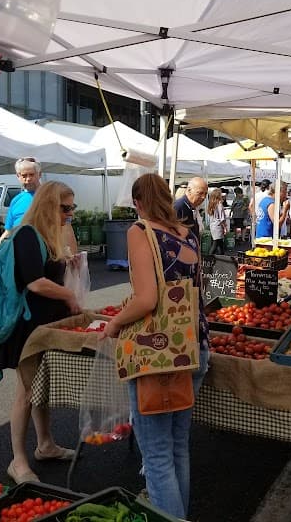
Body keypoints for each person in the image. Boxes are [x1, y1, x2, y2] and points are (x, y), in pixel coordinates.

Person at [102, 173, 209, 519]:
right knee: (178, 448)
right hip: (195, 347)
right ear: (168, 196)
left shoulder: (141, 231)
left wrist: (116, 322)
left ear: (138, 203)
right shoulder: (189, 234)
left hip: (157, 355)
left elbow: (147, 299)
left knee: (157, 454)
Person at [0, 181, 82, 484]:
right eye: (65, 208)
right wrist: (68, 295)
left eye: (72, 208)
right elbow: (35, 282)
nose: (69, 214)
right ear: (48, 204)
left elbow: (47, 271)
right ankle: (17, 461)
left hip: (45, 327)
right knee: (24, 393)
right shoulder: (26, 234)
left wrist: (68, 261)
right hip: (27, 328)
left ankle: (45, 444)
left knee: (39, 389)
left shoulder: (47, 235)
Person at [0, 157, 78, 255]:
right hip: (20, 252)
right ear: (18, 176)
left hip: (45, 252)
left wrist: (73, 255)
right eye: (24, 175)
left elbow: (66, 226)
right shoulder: (16, 200)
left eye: (31, 174)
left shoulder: (51, 195)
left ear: (39, 175)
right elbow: (9, 230)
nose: (28, 179)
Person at [173, 177, 208, 242]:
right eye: (200, 193)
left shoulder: (192, 207)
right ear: (189, 190)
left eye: (205, 194)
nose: (203, 197)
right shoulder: (178, 207)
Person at [206, 188, 227, 255]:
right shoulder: (219, 204)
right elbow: (222, 218)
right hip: (218, 226)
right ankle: (209, 258)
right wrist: (225, 227)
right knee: (216, 243)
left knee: (220, 243)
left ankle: (222, 257)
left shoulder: (211, 204)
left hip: (213, 226)